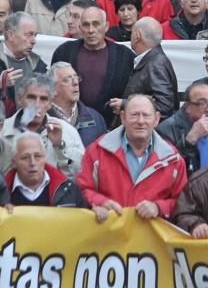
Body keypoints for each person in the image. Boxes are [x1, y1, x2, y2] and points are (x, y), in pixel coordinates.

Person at [76, 94, 188, 223]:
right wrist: (100, 202)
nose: (140, 121)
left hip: (150, 240)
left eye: (146, 115)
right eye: (134, 115)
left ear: (156, 119)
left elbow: (183, 202)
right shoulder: (97, 151)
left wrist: (158, 207)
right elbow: (82, 189)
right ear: (123, 117)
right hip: (107, 236)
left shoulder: (172, 159)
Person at [52, 6, 135, 122]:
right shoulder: (64, 52)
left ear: (106, 27)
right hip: (69, 123)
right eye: (86, 25)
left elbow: (136, 91)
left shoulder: (124, 56)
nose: (91, 30)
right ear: (80, 28)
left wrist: (125, 104)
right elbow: (52, 88)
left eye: (96, 24)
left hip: (111, 124)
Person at [0, 75, 86, 177]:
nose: (37, 105)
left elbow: (79, 175)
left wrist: (60, 146)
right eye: (31, 98)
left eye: (43, 99)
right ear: (20, 99)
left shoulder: (67, 131)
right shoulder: (1, 130)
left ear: (50, 104)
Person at [157, 81, 208, 173]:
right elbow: (165, 166)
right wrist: (189, 141)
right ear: (187, 107)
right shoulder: (167, 128)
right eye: (202, 103)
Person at [4, 133, 89, 208]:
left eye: (37, 156)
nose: (32, 163)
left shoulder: (68, 189)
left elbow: (84, 222)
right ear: (14, 162)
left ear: (44, 158)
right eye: (25, 157)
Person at [123, 17, 179, 118]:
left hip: (150, 131)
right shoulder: (154, 60)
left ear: (137, 36)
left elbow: (164, 106)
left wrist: (125, 105)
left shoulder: (155, 64)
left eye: (132, 33)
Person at [48, 62, 107, 148]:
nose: (75, 83)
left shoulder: (95, 118)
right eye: (67, 80)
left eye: (76, 77)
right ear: (52, 88)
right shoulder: (42, 118)